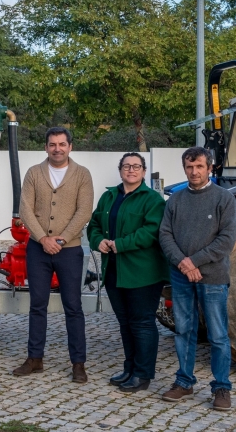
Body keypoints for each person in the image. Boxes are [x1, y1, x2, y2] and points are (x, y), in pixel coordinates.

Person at [159, 147, 236, 411]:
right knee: (184, 331)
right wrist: (183, 263)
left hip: (213, 277)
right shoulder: (175, 201)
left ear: (210, 168)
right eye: (189, 167)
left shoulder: (223, 199)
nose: (194, 172)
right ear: (184, 168)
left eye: (199, 167)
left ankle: (222, 388)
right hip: (181, 277)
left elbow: (226, 240)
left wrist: (194, 261)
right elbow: (165, 236)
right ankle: (184, 381)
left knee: (217, 335)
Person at [12, 127, 94, 382]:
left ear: (71, 146)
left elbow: (84, 211)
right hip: (38, 249)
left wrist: (61, 239)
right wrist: (43, 239)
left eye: (61, 144)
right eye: (52, 144)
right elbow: (25, 208)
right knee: (38, 305)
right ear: (45, 147)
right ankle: (35, 358)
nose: (57, 148)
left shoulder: (82, 174)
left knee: (73, 307)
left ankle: (78, 363)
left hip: (69, 251)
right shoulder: (34, 173)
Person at [87, 153, 169, 393]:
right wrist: (98, 241)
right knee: (125, 323)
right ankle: (130, 368)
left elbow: (151, 231)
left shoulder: (153, 200)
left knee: (142, 323)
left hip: (142, 273)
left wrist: (120, 244)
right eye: (126, 166)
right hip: (113, 271)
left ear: (143, 171)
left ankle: (143, 375)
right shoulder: (109, 196)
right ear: (120, 169)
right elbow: (93, 225)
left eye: (136, 166)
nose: (131, 170)